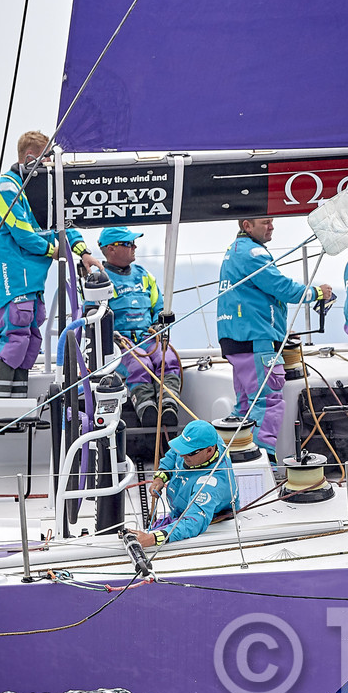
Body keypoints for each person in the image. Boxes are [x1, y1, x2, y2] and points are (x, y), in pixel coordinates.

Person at [0, 130, 100, 397]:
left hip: (32, 280)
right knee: (15, 335)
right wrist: (53, 251)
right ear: (32, 158)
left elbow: (63, 225)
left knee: (32, 339)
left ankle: (18, 402)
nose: (51, 164)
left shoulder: (37, 191)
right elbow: (22, 233)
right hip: (11, 277)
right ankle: (3, 406)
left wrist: (82, 252)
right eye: (48, 158)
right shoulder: (6, 188)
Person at [216, 217, 334, 458]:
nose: (271, 227)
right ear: (247, 225)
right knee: (267, 403)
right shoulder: (253, 253)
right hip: (256, 342)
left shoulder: (234, 251)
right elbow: (282, 288)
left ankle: (245, 463)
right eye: (265, 222)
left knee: (245, 406)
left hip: (237, 341)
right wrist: (316, 293)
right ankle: (263, 463)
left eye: (271, 222)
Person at [97, 226, 183, 426]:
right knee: (139, 367)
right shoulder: (99, 279)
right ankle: (146, 411)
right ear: (111, 249)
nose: (134, 246)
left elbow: (158, 306)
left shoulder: (144, 275)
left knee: (168, 359)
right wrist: (113, 337)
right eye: (128, 243)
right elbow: (94, 318)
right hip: (121, 346)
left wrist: (159, 324)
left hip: (148, 338)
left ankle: (169, 405)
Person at [127, 420, 239, 548]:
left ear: (209, 451)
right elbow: (174, 453)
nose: (181, 454)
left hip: (206, 517)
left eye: (189, 452)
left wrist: (153, 538)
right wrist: (160, 477)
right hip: (179, 509)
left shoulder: (211, 485)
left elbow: (194, 521)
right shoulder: (206, 442)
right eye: (182, 447)